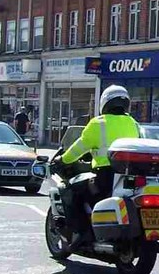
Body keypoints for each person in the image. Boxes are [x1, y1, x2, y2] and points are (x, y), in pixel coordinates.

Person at [53, 85, 139, 245]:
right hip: (130, 176)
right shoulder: (133, 123)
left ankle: (81, 232)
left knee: (71, 189)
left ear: (105, 103)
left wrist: (62, 160)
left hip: (105, 176)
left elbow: (79, 147)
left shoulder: (98, 123)